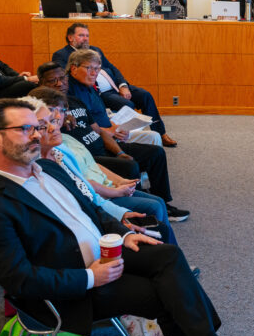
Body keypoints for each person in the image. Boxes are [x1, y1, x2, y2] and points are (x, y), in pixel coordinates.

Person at [0, 99, 254, 336]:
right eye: (25, 129)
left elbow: (93, 212)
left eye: (37, 127)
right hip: (69, 290)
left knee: (168, 255)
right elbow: (19, 280)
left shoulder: (48, 168)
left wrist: (125, 235)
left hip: (103, 254)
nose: (37, 134)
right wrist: (91, 278)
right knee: (166, 294)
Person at [26, 87, 177, 245]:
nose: (57, 119)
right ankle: (160, 247)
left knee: (158, 203)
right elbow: (84, 194)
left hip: (102, 195)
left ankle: (164, 248)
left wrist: (119, 180)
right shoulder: (42, 163)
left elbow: (91, 165)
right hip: (98, 204)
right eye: (47, 120)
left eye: (60, 112)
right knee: (154, 208)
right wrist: (116, 199)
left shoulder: (61, 147)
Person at [61, 51, 189, 222]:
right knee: (132, 164)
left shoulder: (90, 87)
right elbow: (95, 129)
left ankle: (163, 201)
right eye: (89, 68)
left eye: (97, 69)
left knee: (156, 153)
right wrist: (112, 134)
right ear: (73, 69)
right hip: (94, 149)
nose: (94, 73)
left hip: (106, 136)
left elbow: (97, 127)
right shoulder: (69, 95)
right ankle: (138, 207)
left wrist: (118, 146)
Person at [51, 22, 177, 147]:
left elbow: (112, 68)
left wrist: (123, 85)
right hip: (100, 91)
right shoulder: (62, 55)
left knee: (145, 95)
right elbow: (64, 77)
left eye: (87, 35)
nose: (85, 39)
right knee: (128, 104)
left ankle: (161, 133)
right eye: (81, 35)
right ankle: (125, 137)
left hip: (114, 86)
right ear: (70, 38)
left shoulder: (95, 50)